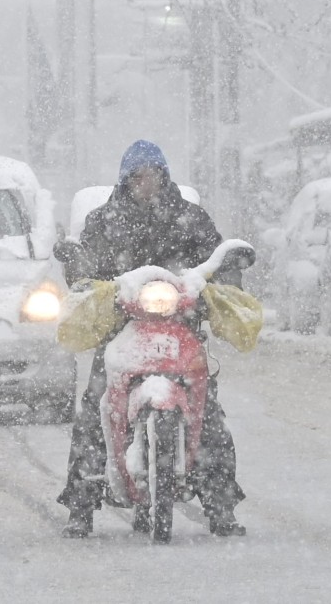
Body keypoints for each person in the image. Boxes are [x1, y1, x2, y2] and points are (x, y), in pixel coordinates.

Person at [55, 139, 246, 538]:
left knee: (208, 414)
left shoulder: (190, 218)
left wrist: (223, 275)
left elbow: (213, 259)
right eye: (137, 176)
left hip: (181, 330)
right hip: (119, 331)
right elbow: (86, 267)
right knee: (94, 411)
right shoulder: (104, 220)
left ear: (165, 176)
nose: (146, 183)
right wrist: (82, 273)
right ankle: (80, 504)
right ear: (125, 180)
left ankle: (221, 505)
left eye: (153, 175)